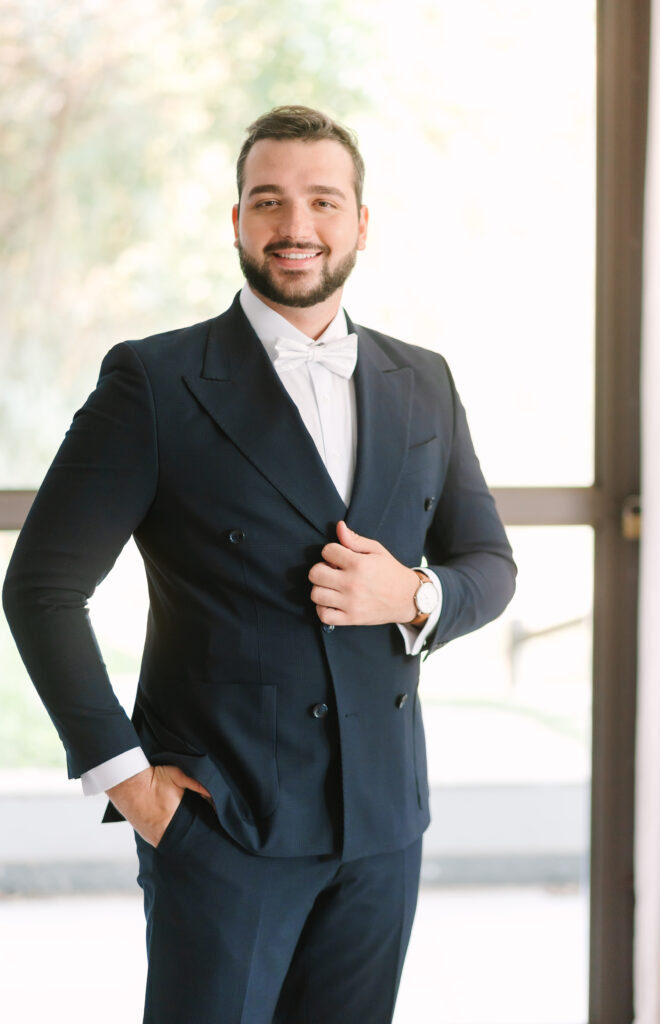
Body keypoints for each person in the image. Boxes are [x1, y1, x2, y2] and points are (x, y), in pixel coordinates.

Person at [3, 105, 516, 1023]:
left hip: (382, 828)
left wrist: (414, 593)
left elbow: (489, 563)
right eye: (268, 200)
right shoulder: (154, 382)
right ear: (236, 220)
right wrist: (132, 785)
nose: (295, 224)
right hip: (220, 824)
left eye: (323, 200)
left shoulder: (424, 380)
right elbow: (42, 589)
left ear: (361, 222)